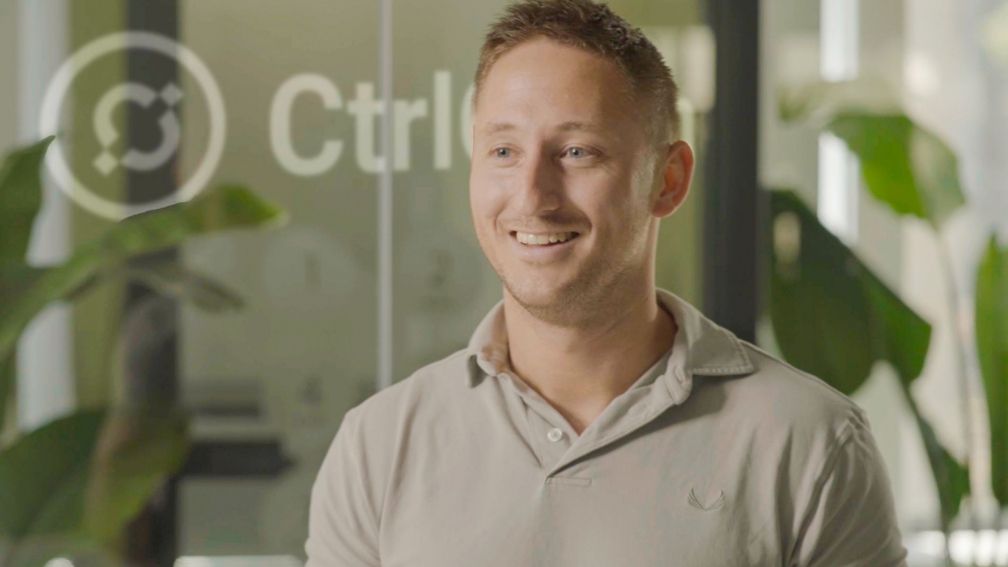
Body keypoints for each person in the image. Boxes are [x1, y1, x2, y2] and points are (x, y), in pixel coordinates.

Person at [305, 1, 908, 565]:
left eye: (576, 152)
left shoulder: (810, 443)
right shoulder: (378, 447)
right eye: (504, 151)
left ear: (668, 180)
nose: (532, 197)